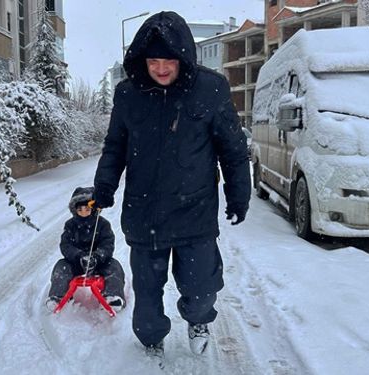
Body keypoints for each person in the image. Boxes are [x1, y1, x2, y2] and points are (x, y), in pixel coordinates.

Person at [92, 11, 251, 361]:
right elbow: (115, 146)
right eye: (153, 61)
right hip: (144, 211)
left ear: (182, 58)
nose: (161, 68)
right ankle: (151, 339)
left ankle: (197, 321)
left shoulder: (211, 89)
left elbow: (233, 149)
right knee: (147, 294)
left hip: (195, 211)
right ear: (142, 60)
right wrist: (104, 186)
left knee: (201, 288)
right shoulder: (127, 94)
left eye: (168, 60)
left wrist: (239, 194)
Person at [46, 186, 126, 313]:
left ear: (93, 209)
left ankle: (112, 296)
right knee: (61, 266)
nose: (83, 212)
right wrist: (78, 255)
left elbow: (108, 244)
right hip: (77, 262)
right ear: (74, 210)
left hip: (98, 262)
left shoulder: (103, 224)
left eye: (87, 209)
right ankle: (58, 295)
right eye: (80, 209)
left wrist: (98, 256)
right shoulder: (70, 225)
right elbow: (65, 245)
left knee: (114, 267)